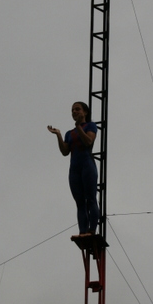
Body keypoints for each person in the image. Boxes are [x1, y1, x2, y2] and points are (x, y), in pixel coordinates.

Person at [47, 102, 100, 238]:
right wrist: (58, 135)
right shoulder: (69, 133)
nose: (74, 112)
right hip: (74, 169)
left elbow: (88, 141)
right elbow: (65, 151)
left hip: (87, 166)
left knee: (91, 199)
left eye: (77, 109)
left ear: (85, 112)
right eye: (72, 110)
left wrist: (79, 127)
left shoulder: (91, 126)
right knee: (80, 202)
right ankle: (82, 231)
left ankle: (92, 230)